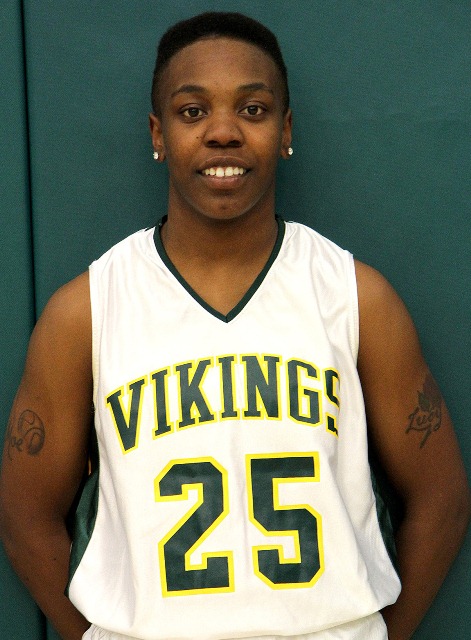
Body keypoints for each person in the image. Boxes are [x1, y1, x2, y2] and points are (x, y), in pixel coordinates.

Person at [0, 11, 469, 640]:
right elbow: (25, 515)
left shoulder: (355, 296)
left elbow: (442, 498)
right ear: (158, 132)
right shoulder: (86, 310)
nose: (223, 132)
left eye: (252, 109)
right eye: (193, 111)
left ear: (285, 130)